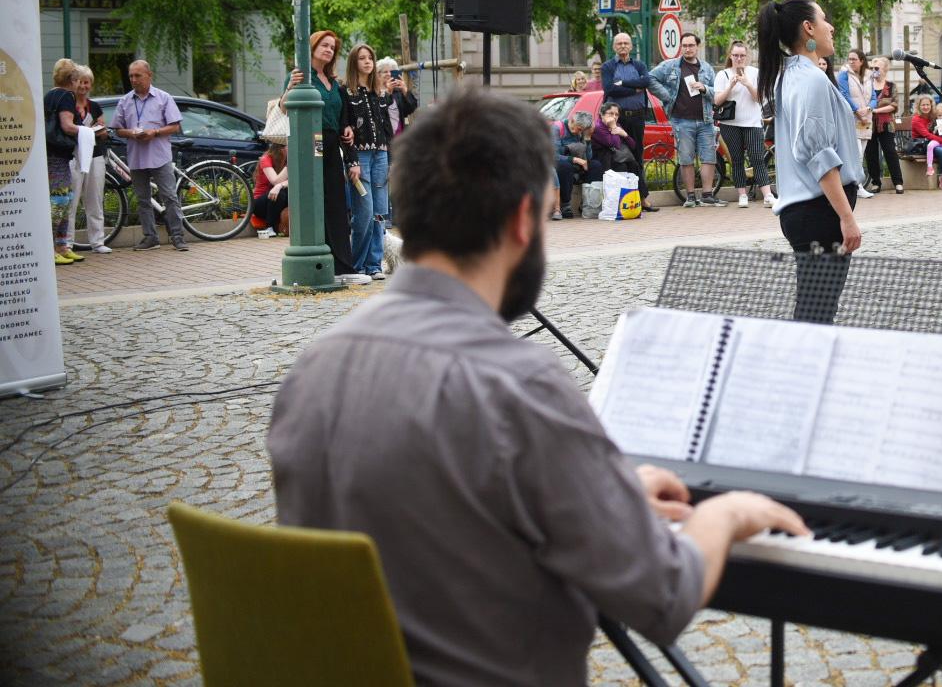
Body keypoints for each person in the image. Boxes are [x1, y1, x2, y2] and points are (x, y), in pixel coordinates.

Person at [267, 86, 808, 686]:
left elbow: (456, 507)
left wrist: (606, 491)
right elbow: (663, 593)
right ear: (523, 220)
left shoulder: (312, 370)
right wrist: (728, 513)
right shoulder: (517, 384)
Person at [757, 0, 864, 323]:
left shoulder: (790, 75)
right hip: (819, 211)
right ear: (808, 28)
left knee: (814, 311)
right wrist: (846, 217)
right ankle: (802, 371)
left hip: (809, 211)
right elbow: (817, 153)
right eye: (824, 19)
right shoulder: (809, 79)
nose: (830, 27)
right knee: (816, 314)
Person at [280, 32, 363, 280]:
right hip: (311, 144)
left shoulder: (332, 81)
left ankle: (343, 267)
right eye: (324, 45)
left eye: (332, 47)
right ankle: (326, 264)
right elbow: (284, 108)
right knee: (318, 201)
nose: (328, 50)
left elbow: (340, 114)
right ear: (312, 47)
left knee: (337, 201)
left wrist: (346, 129)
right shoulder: (299, 76)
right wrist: (289, 88)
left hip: (331, 143)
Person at [110, 59, 190, 253]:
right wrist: (132, 134)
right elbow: (117, 129)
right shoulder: (125, 100)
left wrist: (154, 133)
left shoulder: (163, 98)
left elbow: (175, 125)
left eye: (138, 75)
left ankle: (178, 237)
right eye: (131, 76)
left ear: (149, 75)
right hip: (136, 157)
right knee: (143, 199)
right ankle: (150, 237)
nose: (134, 79)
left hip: (159, 156)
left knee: (169, 197)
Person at [650, 32, 720, 208]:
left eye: (691, 45)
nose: (688, 49)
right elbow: (650, 78)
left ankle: (707, 194)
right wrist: (665, 95)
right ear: (681, 47)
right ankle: (690, 196)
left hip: (705, 120)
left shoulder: (706, 68)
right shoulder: (671, 66)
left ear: (698, 47)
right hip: (681, 121)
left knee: (709, 157)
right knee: (686, 158)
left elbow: (716, 93)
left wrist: (704, 88)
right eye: (685, 46)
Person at [344, 44, 394, 281]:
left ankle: (374, 265)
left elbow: (387, 129)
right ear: (354, 62)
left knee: (380, 212)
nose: (367, 62)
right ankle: (357, 264)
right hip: (360, 157)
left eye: (370, 58)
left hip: (381, 155)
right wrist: (351, 160)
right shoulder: (347, 92)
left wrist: (392, 160)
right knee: (364, 212)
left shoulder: (380, 92)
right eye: (362, 58)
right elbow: (346, 130)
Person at [600, 33, 658, 212]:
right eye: (619, 43)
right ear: (614, 47)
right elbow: (610, 89)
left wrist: (623, 83)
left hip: (637, 118)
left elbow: (646, 81)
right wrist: (635, 88)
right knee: (617, 156)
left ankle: (643, 198)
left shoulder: (639, 65)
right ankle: (619, 198)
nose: (623, 46)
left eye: (626, 43)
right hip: (618, 118)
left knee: (637, 155)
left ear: (631, 46)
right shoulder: (608, 66)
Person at [714, 40, 774, 209]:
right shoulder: (722, 75)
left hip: (753, 122)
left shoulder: (755, 73)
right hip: (730, 124)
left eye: (742, 55)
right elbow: (717, 101)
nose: (739, 58)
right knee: (737, 159)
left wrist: (747, 83)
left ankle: (767, 195)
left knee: (757, 158)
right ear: (730, 56)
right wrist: (730, 86)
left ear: (747, 57)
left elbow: (760, 99)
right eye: (735, 55)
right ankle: (742, 195)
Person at [64, 64, 113, 254]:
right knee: (71, 201)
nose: (83, 86)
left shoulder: (95, 106)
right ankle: (67, 243)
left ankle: (98, 242)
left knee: (95, 199)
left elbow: (103, 132)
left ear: (90, 84)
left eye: (87, 82)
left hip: (95, 156)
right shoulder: (67, 105)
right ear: (73, 83)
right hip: (73, 157)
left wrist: (100, 131)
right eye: (80, 82)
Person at [43, 58, 85, 264]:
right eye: (78, 80)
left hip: (51, 153)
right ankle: (51, 248)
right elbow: (68, 126)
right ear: (73, 79)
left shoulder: (49, 94)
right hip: (58, 154)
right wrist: (88, 132)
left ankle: (62, 246)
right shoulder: (67, 96)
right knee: (60, 201)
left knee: (66, 198)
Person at [836, 49, 875, 199]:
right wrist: (858, 111)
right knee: (856, 153)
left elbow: (873, 96)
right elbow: (844, 94)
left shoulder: (869, 75)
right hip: (852, 119)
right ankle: (857, 186)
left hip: (866, 119)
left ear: (861, 61)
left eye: (854, 59)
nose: (851, 61)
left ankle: (856, 186)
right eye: (849, 59)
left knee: (861, 153)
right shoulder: (844, 74)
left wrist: (869, 109)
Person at [863, 56, 904, 194]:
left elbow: (894, 105)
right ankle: (876, 182)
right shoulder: (866, 85)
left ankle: (898, 182)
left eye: (877, 68)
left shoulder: (891, 86)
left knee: (890, 152)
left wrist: (875, 110)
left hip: (886, 124)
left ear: (885, 69)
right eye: (872, 68)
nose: (874, 71)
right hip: (869, 124)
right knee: (871, 153)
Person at [554, 110, 602, 219]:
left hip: (578, 164)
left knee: (596, 165)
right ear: (571, 120)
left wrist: (587, 139)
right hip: (562, 163)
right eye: (578, 129)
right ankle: (566, 205)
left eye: (582, 130)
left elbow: (588, 157)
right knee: (564, 166)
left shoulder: (581, 132)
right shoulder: (557, 128)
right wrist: (574, 159)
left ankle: (587, 203)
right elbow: (553, 155)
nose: (578, 132)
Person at [374, 57, 419, 147]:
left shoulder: (397, 92)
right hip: (382, 140)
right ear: (378, 75)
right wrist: (388, 93)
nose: (389, 74)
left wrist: (405, 90)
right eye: (385, 71)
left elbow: (411, 108)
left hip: (398, 139)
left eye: (392, 71)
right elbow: (378, 112)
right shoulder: (374, 92)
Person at [252, 144, 290, 236]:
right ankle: (269, 227)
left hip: (276, 200)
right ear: (280, 149)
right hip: (260, 203)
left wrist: (280, 185)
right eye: (288, 147)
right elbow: (275, 181)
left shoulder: (285, 161)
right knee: (280, 193)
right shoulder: (265, 159)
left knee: (287, 191)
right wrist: (290, 165)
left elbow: (295, 182)